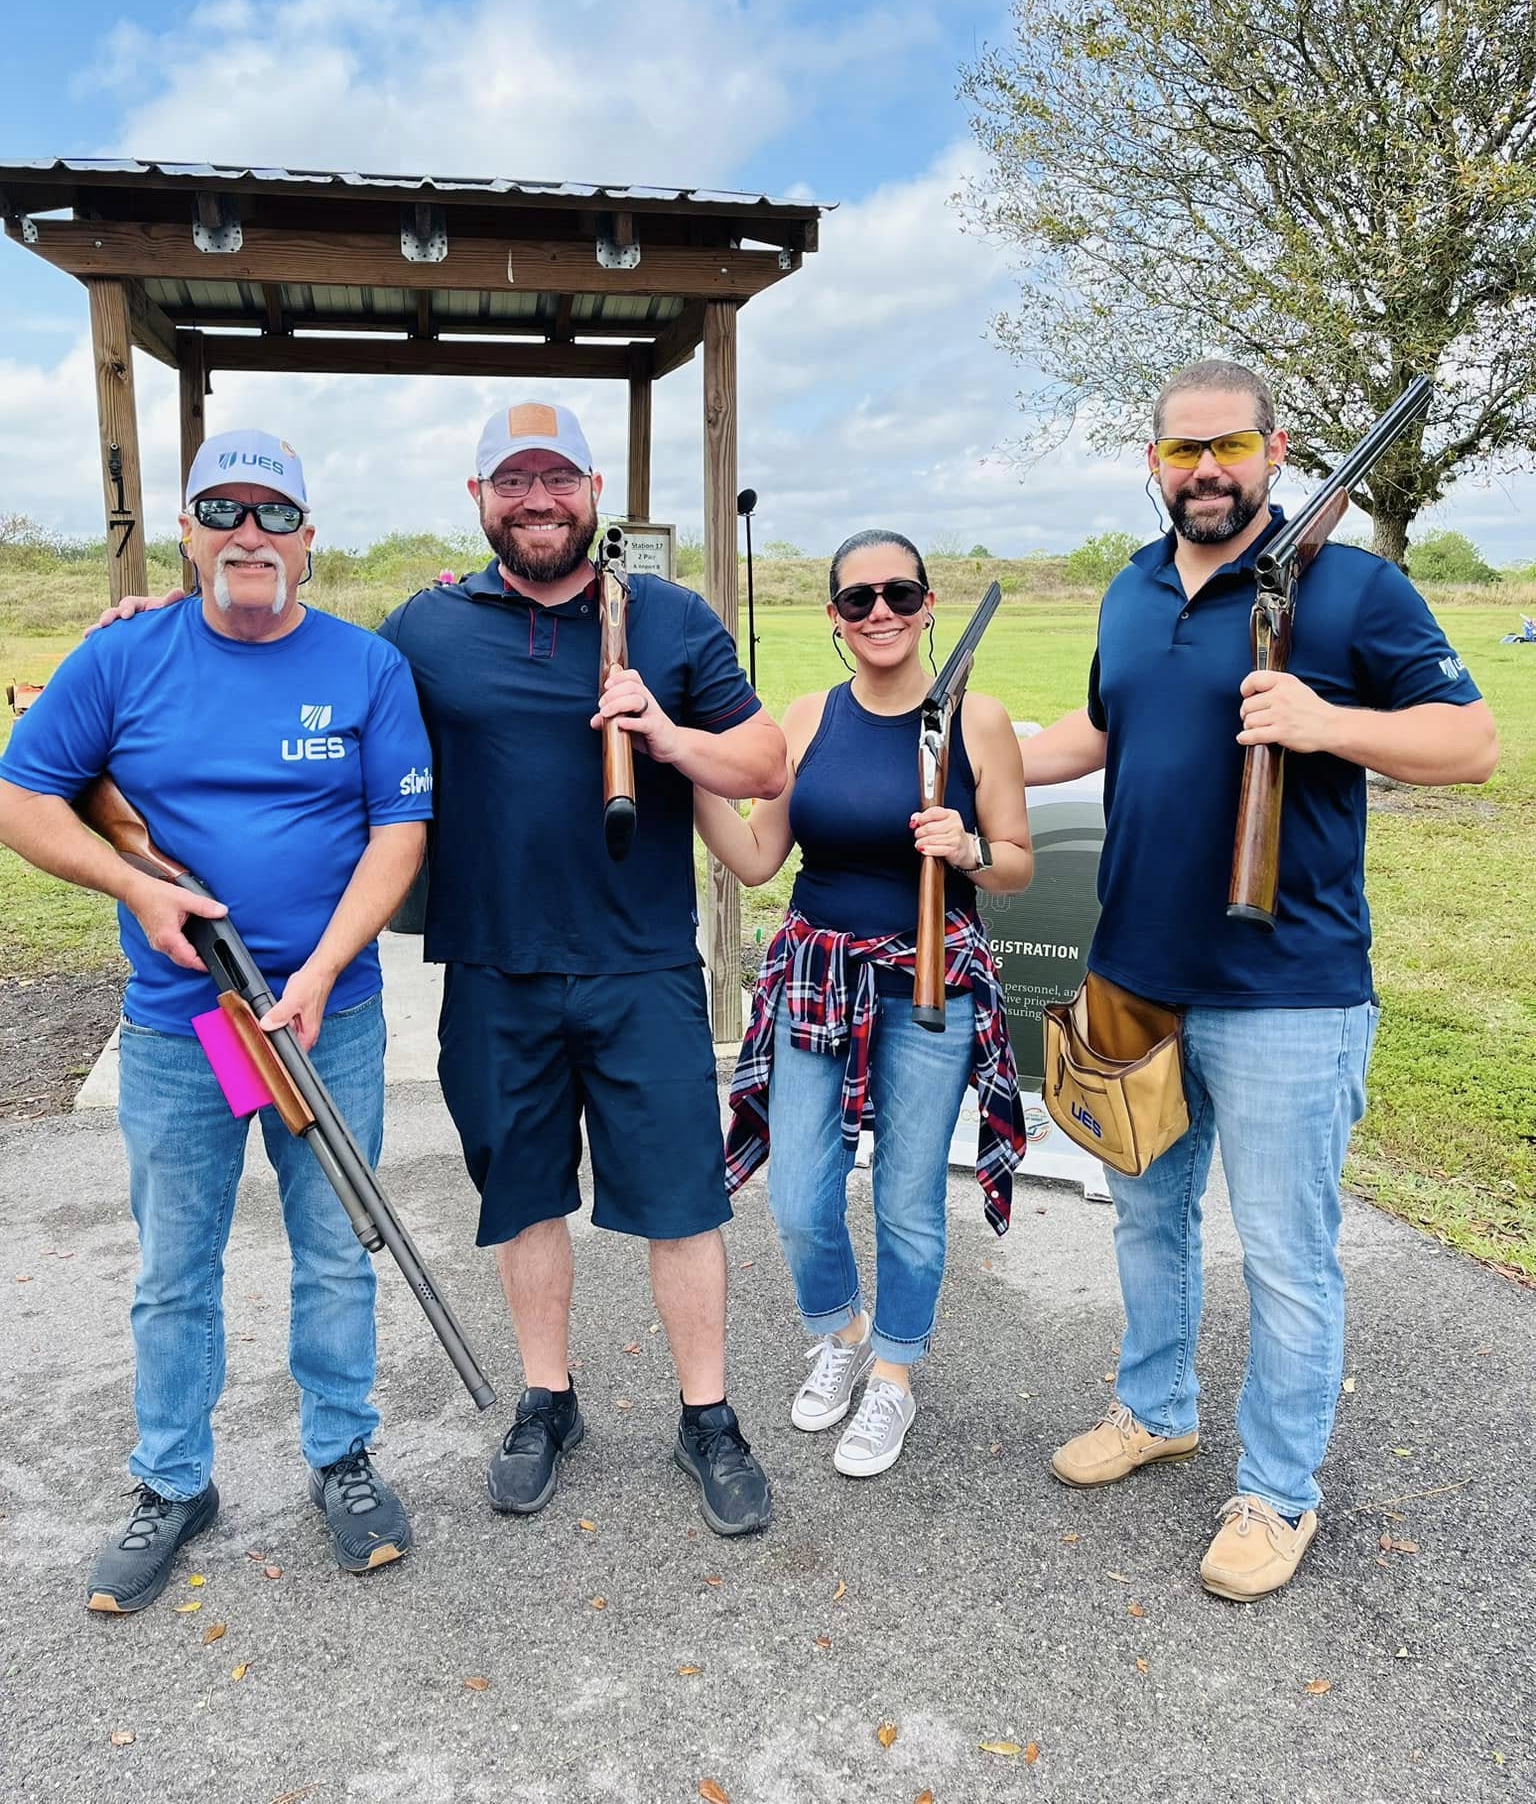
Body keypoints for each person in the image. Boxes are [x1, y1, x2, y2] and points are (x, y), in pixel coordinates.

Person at [1020, 360, 1498, 1600]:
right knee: (1147, 1215)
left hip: (1291, 986)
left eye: (1229, 446)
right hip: (1136, 970)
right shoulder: (1132, 587)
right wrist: (982, 755)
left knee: (1287, 1253)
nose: (1206, 471)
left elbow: (1471, 740)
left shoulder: (1356, 587)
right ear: (1153, 463)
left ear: (1275, 451)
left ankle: (1278, 1490)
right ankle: (1155, 1408)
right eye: (1183, 451)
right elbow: (1102, 730)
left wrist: (1326, 721)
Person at [0, 433, 433, 1611]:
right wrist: (135, 887)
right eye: (223, 509)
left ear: (308, 536)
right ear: (187, 533)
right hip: (179, 1025)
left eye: (274, 511)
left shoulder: (367, 666)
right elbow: (23, 795)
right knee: (173, 1266)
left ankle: (342, 1455)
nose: (250, 531)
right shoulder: (119, 656)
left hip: (326, 1017)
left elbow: (399, 832)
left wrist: (323, 968)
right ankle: (173, 1480)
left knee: (336, 1249)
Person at [376, 403, 788, 1537]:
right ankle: (547, 1399)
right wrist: (171, 616)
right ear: (479, 498)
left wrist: (666, 733)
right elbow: (300, 669)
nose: (538, 499)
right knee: (523, 1197)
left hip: (641, 966)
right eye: (513, 480)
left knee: (682, 1204)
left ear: (595, 491)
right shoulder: (427, 625)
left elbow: (762, 759)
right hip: (493, 966)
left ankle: (707, 1416)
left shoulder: (669, 616)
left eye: (558, 477)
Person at [698, 530, 1033, 1478]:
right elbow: (757, 857)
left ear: (928, 606)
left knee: (908, 1199)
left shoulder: (978, 721)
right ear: (835, 619)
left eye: (899, 594)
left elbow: (1016, 864)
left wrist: (967, 850)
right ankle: (842, 1334)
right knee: (801, 1196)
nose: (880, 611)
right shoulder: (808, 717)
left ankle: (894, 1373)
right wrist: (688, 774)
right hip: (818, 975)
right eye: (858, 599)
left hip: (933, 982)